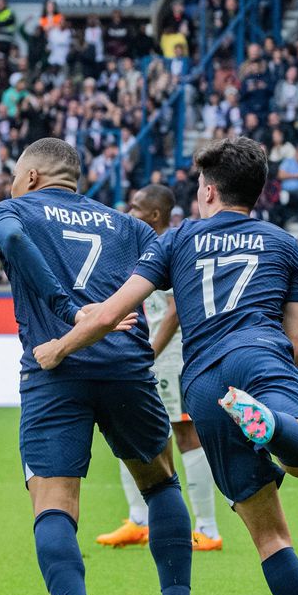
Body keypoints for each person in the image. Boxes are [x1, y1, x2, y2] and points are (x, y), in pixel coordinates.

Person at [32, 137, 298, 595]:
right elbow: (294, 341)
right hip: (261, 358)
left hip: (205, 381)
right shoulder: (285, 245)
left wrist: (61, 346)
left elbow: (118, 307)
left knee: (266, 533)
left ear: (208, 190)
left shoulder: (179, 238)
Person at [0, 139, 223, 595]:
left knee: (54, 503)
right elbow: (182, 286)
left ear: (33, 177)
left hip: (53, 369)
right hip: (128, 368)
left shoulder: (13, 211)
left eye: (17, 178)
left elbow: (12, 239)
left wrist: (66, 314)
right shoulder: (128, 225)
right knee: (160, 483)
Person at [97, 185, 223, 552]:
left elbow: (175, 310)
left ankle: (208, 528)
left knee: (187, 435)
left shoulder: (172, 247)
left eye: (135, 207)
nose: (128, 211)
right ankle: (139, 520)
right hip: (143, 356)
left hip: (172, 357)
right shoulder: (135, 247)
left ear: (154, 215)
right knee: (130, 431)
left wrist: (149, 352)